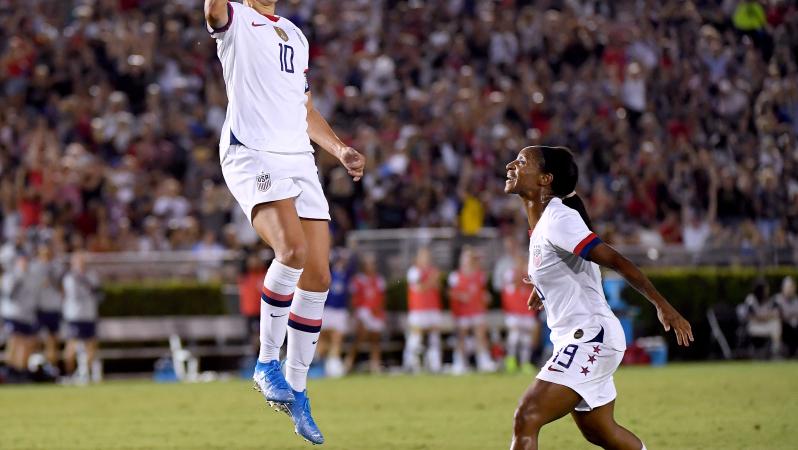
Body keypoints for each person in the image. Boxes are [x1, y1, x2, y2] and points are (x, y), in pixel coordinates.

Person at [204, 0, 365, 443]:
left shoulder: (295, 34)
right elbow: (213, 11)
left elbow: (304, 108)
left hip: (298, 155)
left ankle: (297, 389)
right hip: (252, 151)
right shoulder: (234, 18)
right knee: (291, 251)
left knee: (317, 276)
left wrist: (339, 150)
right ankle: (265, 362)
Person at [504, 146, 693, 450]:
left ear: (545, 179)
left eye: (523, 162)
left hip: (591, 338)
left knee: (527, 417)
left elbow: (616, 260)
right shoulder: (543, 226)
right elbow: (566, 267)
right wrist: (542, 291)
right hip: (579, 338)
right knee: (598, 431)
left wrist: (662, 304)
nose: (511, 164)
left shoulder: (558, 219)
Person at [447, 247, 495, 374]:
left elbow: (482, 290)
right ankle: (459, 362)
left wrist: (486, 296)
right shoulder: (455, 276)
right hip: (462, 310)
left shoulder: (480, 275)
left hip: (477, 309)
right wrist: (460, 296)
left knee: (480, 334)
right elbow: (450, 293)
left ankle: (484, 360)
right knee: (461, 336)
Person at [62, 252, 102, 381]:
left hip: (89, 315)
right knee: (72, 345)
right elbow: (75, 294)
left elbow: (98, 292)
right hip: (75, 315)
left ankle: (85, 374)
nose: (82, 263)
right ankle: (69, 374)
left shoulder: (92, 275)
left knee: (91, 345)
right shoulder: (70, 277)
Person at [403, 248, 443, 373]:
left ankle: (435, 364)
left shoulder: (433, 271)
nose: (426, 259)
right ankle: (410, 363)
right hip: (418, 309)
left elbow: (437, 288)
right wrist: (432, 280)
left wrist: (434, 281)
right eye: (423, 256)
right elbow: (420, 288)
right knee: (416, 336)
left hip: (432, 307)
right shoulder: (414, 271)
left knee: (434, 336)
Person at [346, 253, 386, 374]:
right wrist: (354, 314)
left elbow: (382, 298)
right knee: (359, 338)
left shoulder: (379, 280)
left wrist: (380, 312)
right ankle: (349, 363)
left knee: (375, 340)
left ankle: (375, 364)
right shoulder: (358, 280)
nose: (371, 266)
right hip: (363, 311)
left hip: (376, 312)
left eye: (373, 263)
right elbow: (353, 298)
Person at [1, 254, 37, 382]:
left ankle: (21, 371)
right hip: (13, 313)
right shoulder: (11, 276)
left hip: (26, 315)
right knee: (14, 342)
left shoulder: (31, 277)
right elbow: (9, 294)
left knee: (26, 344)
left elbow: (32, 296)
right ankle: (10, 370)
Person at [317, 250, 352, 378]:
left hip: (340, 311)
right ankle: (322, 363)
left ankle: (334, 363)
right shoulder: (328, 274)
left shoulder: (347, 275)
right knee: (322, 339)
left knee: (338, 337)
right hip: (327, 309)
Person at [501, 254, 539, 374]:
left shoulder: (529, 273)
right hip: (513, 313)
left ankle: (525, 362)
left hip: (526, 313)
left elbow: (533, 284)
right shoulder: (511, 275)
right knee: (515, 336)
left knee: (526, 339)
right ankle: (511, 360)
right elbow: (512, 285)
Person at [30, 243, 63, 374]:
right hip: (39, 308)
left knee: (52, 340)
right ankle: (33, 368)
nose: (46, 256)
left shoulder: (56, 267)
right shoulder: (34, 267)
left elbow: (61, 286)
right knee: (34, 340)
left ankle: (52, 369)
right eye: (43, 253)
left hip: (53, 307)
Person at [238, 252, 268, 358]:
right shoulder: (245, 277)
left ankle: (263, 358)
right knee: (254, 337)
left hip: (262, 312)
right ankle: (257, 358)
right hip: (250, 312)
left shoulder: (265, 275)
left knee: (262, 337)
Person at [742, 279, 781, 358]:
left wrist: (763, 317)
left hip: (766, 324)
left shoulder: (770, 300)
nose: (767, 291)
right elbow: (750, 316)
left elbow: (776, 313)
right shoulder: (751, 299)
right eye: (765, 289)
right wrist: (765, 317)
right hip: (754, 326)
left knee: (776, 323)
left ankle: (775, 351)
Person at [774, 276, 798, 357]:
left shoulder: (796, 300)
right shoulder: (778, 299)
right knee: (777, 325)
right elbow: (777, 315)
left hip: (795, 326)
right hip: (784, 327)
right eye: (788, 287)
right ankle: (777, 353)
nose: (790, 289)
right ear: (783, 288)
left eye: (792, 287)